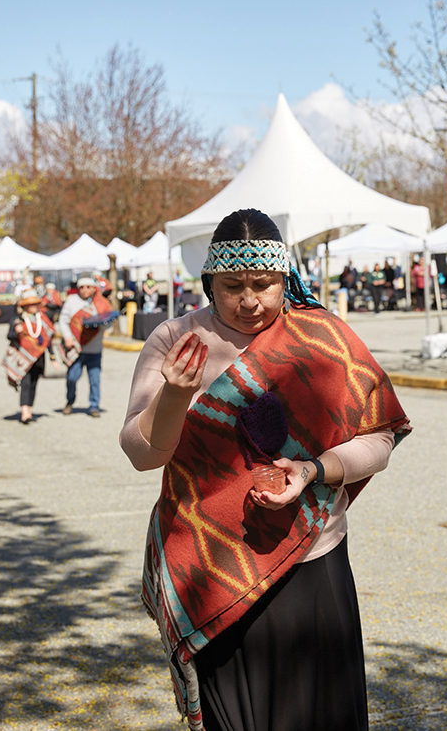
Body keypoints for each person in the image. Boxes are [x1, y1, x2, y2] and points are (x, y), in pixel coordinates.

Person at [120, 208, 411, 731]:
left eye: (265, 284)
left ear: (286, 278)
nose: (250, 300)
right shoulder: (175, 341)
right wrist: (176, 396)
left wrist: (316, 470)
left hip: (312, 565)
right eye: (233, 286)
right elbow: (143, 454)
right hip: (213, 571)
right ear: (209, 280)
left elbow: (380, 437)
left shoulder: (323, 339)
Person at [3, 289, 59, 424]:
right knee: (26, 383)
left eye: (36, 304)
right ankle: (24, 412)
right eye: (31, 304)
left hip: (38, 358)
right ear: (25, 306)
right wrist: (16, 332)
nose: (34, 307)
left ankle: (30, 410)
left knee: (34, 383)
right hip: (23, 358)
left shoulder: (43, 319)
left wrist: (52, 357)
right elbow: (9, 336)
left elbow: (47, 340)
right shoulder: (18, 319)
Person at [59, 276, 111, 417]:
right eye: (82, 287)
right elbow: (63, 320)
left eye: (88, 287)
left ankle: (94, 406)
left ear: (94, 288)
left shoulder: (102, 303)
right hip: (76, 348)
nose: (85, 290)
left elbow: (109, 320)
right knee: (72, 378)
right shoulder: (71, 302)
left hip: (94, 348)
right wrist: (67, 336)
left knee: (94, 379)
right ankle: (70, 401)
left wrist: (102, 325)